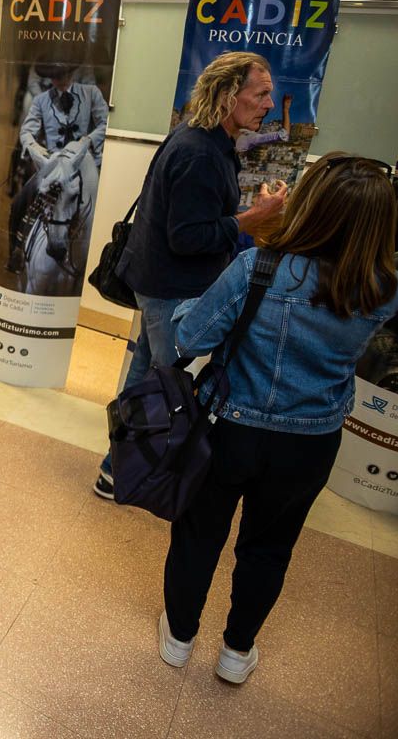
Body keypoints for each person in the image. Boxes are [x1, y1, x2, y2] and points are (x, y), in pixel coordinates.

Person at [158, 154, 398, 685]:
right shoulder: (391, 289)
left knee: (199, 534)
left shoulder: (260, 268)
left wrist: (192, 306)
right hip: (312, 441)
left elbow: (188, 338)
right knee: (270, 548)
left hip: (231, 427)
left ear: (314, 205)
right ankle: (235, 652)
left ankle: (179, 638)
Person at [96, 51, 288, 498]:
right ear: (227, 95)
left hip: (157, 281)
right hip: (169, 289)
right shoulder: (199, 152)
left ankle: (117, 469)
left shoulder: (202, 139)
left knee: (147, 374)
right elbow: (188, 237)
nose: (268, 105)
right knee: (167, 386)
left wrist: (244, 215)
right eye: (260, 95)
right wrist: (252, 219)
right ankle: (136, 472)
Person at [6, 62, 110, 270]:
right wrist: (34, 147)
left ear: (71, 74)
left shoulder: (91, 93)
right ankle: (16, 252)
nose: (57, 81)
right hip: (53, 164)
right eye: (53, 77)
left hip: (85, 163)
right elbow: (27, 131)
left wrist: (88, 140)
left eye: (61, 76)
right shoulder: (41, 100)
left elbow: (104, 122)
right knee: (19, 201)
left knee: (100, 205)